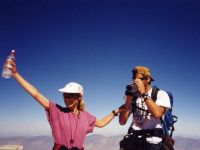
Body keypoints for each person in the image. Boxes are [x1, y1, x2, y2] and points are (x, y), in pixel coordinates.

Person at [4, 61, 121, 150]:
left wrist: (116, 111)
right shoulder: (56, 111)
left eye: (71, 95)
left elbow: (101, 123)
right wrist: (15, 74)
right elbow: (36, 94)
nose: (67, 99)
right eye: (65, 95)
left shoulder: (86, 116)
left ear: (79, 97)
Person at [119, 66, 171, 150]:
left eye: (138, 79)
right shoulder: (134, 97)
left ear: (148, 79)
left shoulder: (160, 94)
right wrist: (128, 99)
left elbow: (157, 114)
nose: (135, 82)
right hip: (134, 139)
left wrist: (143, 93)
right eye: (134, 79)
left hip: (152, 141)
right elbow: (122, 121)